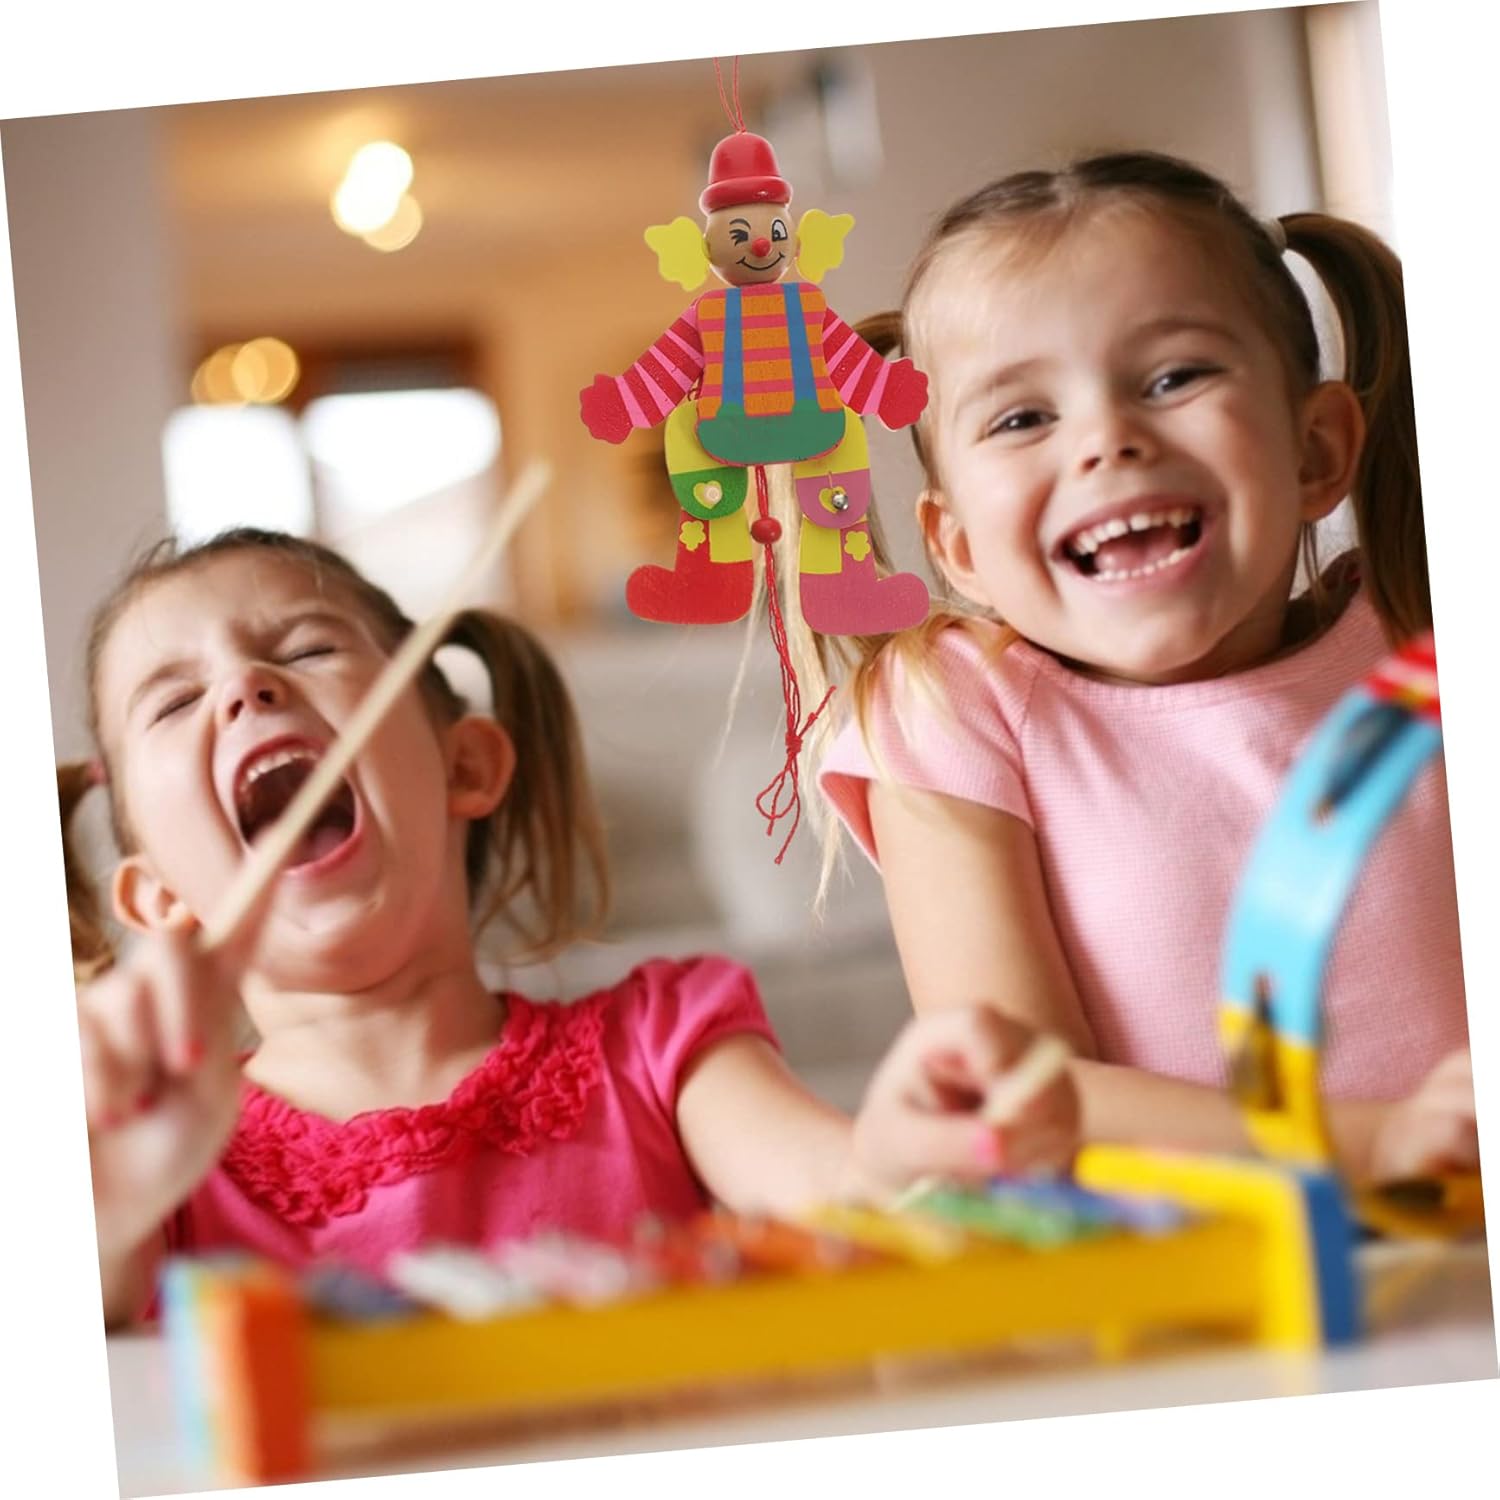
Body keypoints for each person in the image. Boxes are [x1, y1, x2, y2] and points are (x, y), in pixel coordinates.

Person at [64, 528, 1078, 1329]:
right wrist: (112, 1196)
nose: (246, 688)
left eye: (308, 648)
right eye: (175, 702)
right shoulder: (159, 1172)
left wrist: (899, 1156)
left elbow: (838, 1188)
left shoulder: (662, 1046)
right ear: (160, 900)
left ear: (466, 766)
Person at [815, 152, 1474, 1187]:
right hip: (1187, 1268)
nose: (1108, 440)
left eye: (1175, 379)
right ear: (961, 549)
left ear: (1314, 451)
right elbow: (1023, 1092)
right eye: (1022, 418)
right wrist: (1379, 1145)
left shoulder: (1430, 642)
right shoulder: (953, 708)